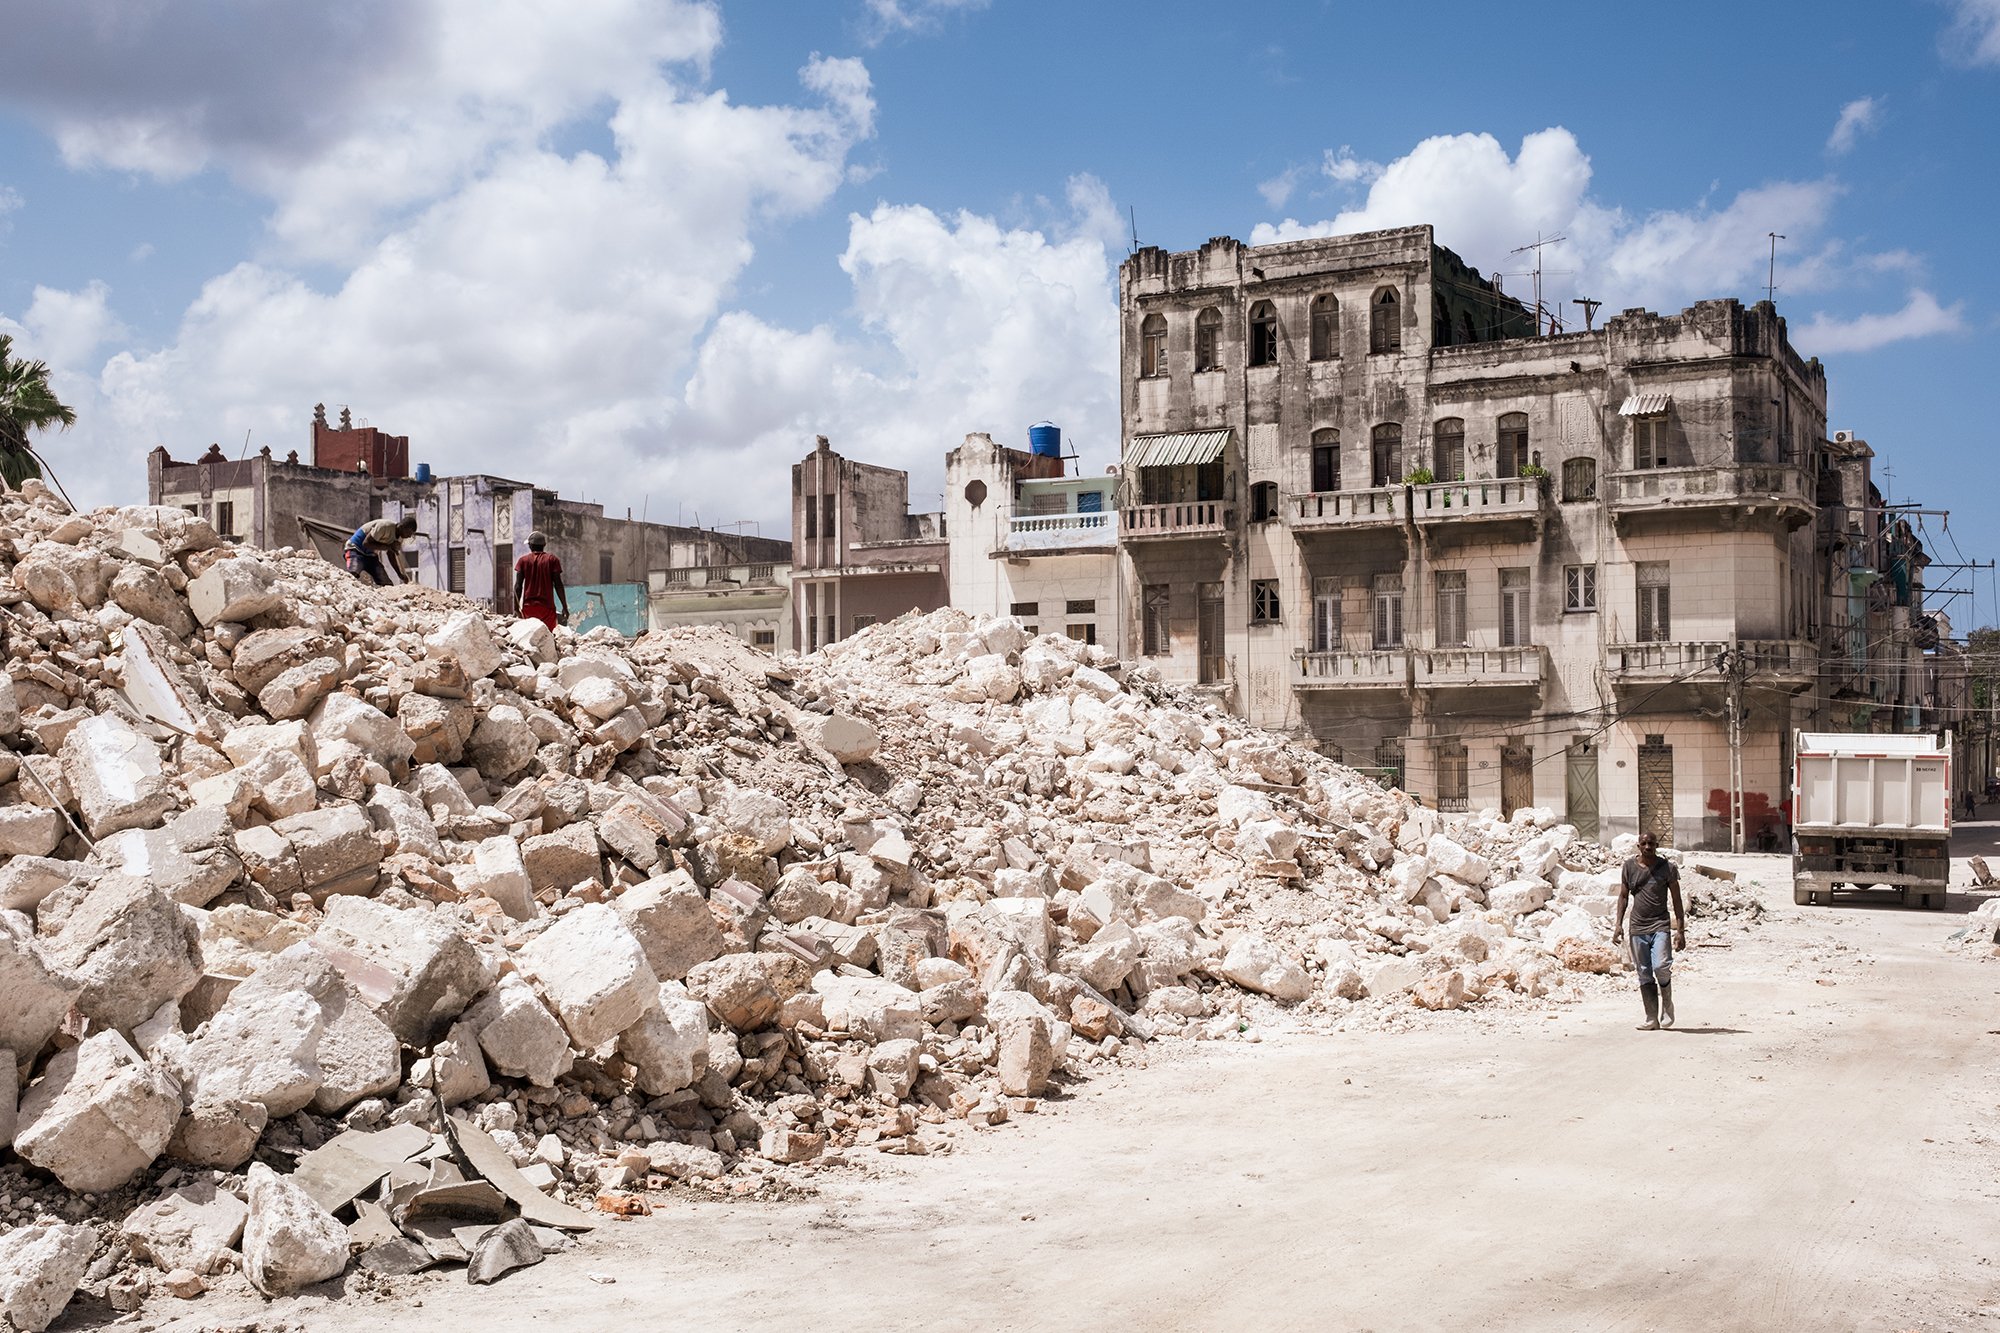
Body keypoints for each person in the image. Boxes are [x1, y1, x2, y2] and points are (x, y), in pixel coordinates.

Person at [1612, 832, 1686, 1031]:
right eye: (1643, 843)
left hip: (1660, 924)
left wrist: (1680, 930)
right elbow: (1623, 897)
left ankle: (1667, 1006)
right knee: (1644, 972)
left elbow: (1677, 900)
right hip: (1637, 927)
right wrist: (1618, 924)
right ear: (1638, 846)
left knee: (1661, 966)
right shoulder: (1628, 867)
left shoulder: (1667, 868)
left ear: (1657, 845)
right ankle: (1651, 1017)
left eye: (1651, 843)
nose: (1647, 847)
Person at [513, 530, 567, 630]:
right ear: (544, 545)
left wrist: (516, 608)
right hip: (547, 608)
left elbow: (518, 586)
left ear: (530, 545)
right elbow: (558, 585)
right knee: (548, 638)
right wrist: (565, 606)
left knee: (530, 638)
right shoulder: (552, 560)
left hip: (529, 608)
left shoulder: (523, 561)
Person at [344, 515, 416, 585]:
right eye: (409, 533)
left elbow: (391, 555)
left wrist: (400, 574)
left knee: (387, 584)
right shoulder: (385, 526)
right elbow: (366, 543)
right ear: (402, 527)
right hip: (355, 549)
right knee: (352, 575)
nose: (409, 536)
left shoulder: (399, 538)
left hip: (371, 556)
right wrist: (388, 546)